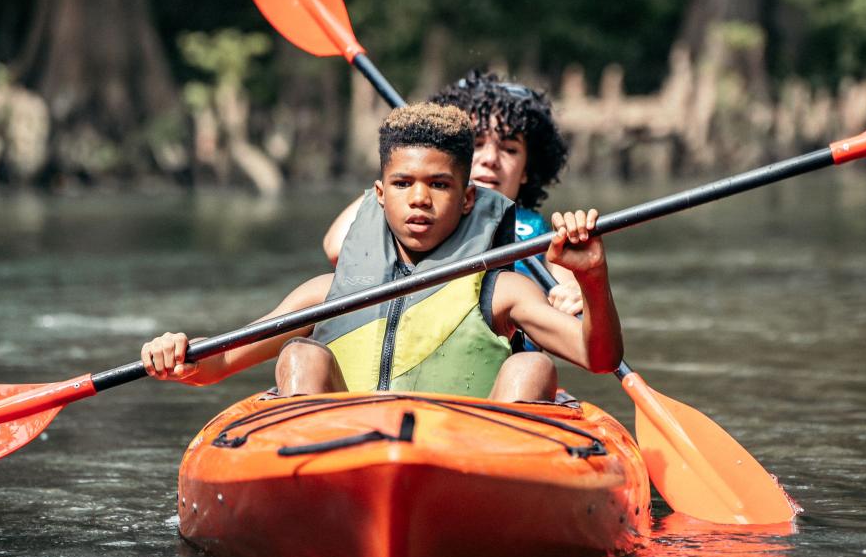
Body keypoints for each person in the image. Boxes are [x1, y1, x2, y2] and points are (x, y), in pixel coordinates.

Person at [141, 103, 622, 402]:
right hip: (341, 456)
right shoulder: (326, 294)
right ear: (378, 193)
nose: (419, 199)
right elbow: (217, 364)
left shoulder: (504, 292)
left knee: (531, 366)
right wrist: (177, 354)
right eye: (402, 184)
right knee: (300, 355)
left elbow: (598, 358)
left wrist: (593, 279)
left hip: (474, 459)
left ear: (468, 196)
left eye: (439, 184)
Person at [322, 71, 584, 315]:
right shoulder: (416, 218)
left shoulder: (543, 236)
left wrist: (578, 295)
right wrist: (402, 170)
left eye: (509, 149)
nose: (491, 159)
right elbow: (337, 248)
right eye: (477, 144)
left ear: (526, 170)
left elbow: (572, 300)